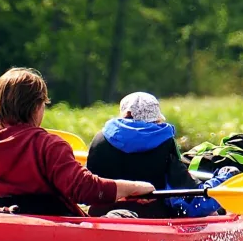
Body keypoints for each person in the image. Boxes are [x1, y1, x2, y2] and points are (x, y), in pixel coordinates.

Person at [0, 67, 155, 216]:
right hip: (48, 234)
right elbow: (86, 189)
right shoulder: (49, 147)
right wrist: (136, 187)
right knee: (124, 215)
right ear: (37, 107)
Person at [85, 91, 234, 218]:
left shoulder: (99, 139)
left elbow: (86, 188)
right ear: (155, 117)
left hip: (99, 214)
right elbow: (189, 199)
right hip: (149, 216)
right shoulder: (164, 141)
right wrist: (225, 177)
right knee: (216, 209)